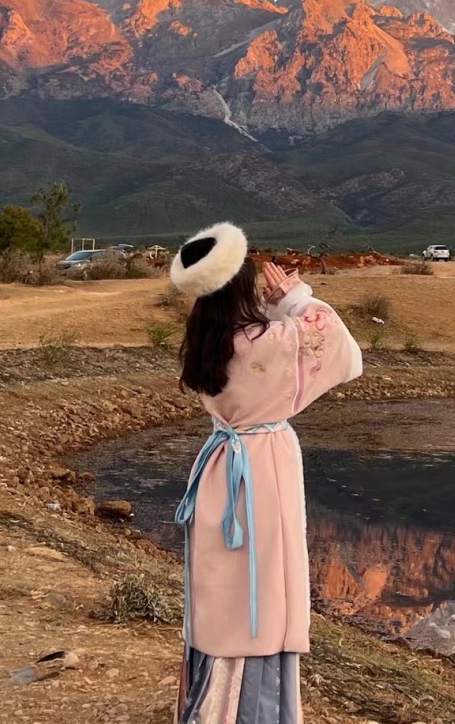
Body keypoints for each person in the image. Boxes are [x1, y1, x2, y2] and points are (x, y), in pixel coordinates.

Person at [171, 222, 362, 723]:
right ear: (240, 285)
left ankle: (206, 702)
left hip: (218, 464)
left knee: (221, 581)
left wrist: (276, 310)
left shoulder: (207, 339)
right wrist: (294, 297)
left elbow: (268, 347)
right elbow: (340, 348)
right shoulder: (268, 339)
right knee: (263, 584)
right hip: (263, 467)